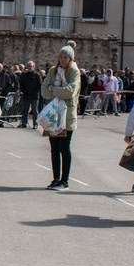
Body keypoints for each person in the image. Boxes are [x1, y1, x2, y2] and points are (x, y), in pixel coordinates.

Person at [41, 40, 81, 191]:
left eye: (66, 57)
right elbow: (44, 91)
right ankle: (56, 179)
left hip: (67, 114)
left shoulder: (74, 72)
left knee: (64, 147)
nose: (63, 60)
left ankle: (65, 181)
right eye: (61, 57)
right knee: (54, 148)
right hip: (53, 113)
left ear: (70, 59)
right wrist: (55, 88)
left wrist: (53, 88)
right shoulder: (52, 71)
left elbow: (70, 91)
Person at [19, 61, 42, 128]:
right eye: (28, 66)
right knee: (25, 110)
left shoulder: (37, 75)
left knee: (35, 111)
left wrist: (35, 92)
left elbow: (39, 85)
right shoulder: (24, 75)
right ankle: (24, 123)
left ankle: (35, 124)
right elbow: (21, 84)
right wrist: (23, 91)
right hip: (26, 96)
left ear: (33, 67)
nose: (29, 67)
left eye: (31, 66)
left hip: (34, 96)